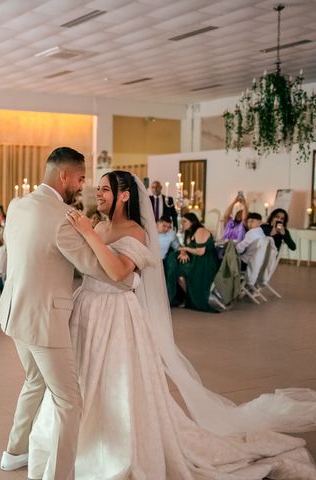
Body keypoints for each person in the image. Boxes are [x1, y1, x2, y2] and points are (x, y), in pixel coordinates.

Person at [27, 170, 316, 479]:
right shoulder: (98, 224)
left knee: (114, 382)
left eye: (105, 190)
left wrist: (88, 234)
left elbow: (118, 273)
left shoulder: (135, 231)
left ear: (124, 195)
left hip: (114, 315)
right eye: (96, 188)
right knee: (78, 381)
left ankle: (113, 449)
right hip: (87, 309)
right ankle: (71, 443)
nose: (97, 194)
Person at [0, 147, 110, 480]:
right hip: (44, 319)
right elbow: (92, 267)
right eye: (80, 177)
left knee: (34, 381)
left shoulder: (17, 206)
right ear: (64, 175)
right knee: (69, 401)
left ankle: (13, 452)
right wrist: (126, 269)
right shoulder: (61, 217)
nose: (82, 185)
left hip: (14, 312)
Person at [165, 212, 219, 312]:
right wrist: (183, 251)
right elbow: (189, 248)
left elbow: (200, 252)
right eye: (181, 222)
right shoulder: (190, 233)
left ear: (192, 221)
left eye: (185, 221)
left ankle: (189, 298)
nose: (182, 224)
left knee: (174, 263)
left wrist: (184, 248)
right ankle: (187, 298)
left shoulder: (200, 231)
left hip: (205, 263)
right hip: (196, 261)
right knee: (175, 265)